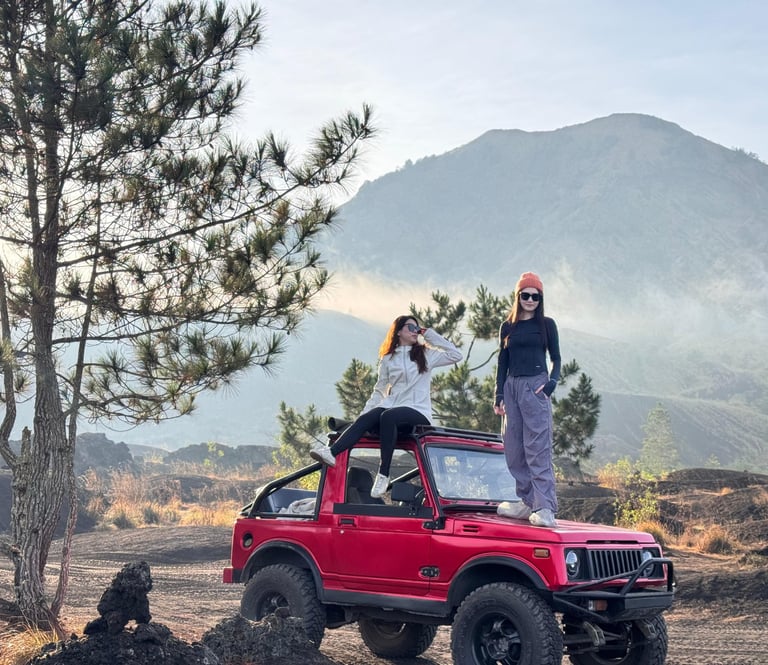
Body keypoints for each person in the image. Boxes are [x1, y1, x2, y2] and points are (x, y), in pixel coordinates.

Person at [310, 314, 463, 497]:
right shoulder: (388, 359)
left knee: (388, 416)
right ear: (398, 331)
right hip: (393, 406)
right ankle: (332, 453)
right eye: (411, 328)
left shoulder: (426, 354)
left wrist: (428, 333)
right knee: (371, 417)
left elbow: (456, 355)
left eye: (417, 328)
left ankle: (383, 474)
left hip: (418, 411)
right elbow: (380, 391)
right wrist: (364, 416)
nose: (416, 331)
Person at [493, 272, 561, 527]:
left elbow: (557, 358)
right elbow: (503, 361)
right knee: (513, 448)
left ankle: (545, 508)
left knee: (537, 448)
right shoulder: (508, 326)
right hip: (511, 387)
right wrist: (499, 394)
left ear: (540, 298)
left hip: (535, 385)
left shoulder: (547, 324)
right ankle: (527, 501)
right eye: (526, 295)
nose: (530, 299)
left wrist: (551, 383)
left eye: (535, 295)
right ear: (518, 296)